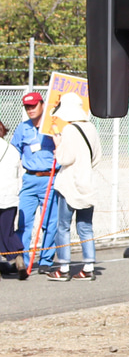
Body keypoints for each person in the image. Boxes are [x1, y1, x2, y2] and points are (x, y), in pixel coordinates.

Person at [49, 96, 101, 281]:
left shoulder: (69, 129)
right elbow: (97, 156)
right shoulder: (92, 128)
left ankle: (63, 268)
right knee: (85, 227)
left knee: (63, 226)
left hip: (70, 183)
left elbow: (64, 158)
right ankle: (88, 267)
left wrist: (58, 145)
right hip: (87, 181)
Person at [12, 91, 61, 277]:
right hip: (29, 179)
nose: (30, 109)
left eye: (33, 105)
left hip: (50, 178)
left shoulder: (53, 127)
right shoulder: (22, 128)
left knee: (50, 222)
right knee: (24, 221)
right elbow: (13, 152)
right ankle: (22, 262)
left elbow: (63, 149)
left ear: (42, 105)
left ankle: (46, 260)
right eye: (27, 107)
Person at [0, 118, 22, 272]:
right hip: (10, 197)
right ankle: (19, 259)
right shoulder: (12, 150)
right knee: (7, 231)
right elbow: (19, 175)